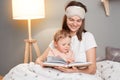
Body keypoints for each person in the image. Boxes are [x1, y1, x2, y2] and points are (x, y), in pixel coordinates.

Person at [3, 1, 102, 80]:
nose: (74, 24)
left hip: (78, 74)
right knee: (20, 69)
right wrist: (45, 65)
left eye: (78, 20)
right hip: (57, 73)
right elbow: (39, 60)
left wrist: (72, 71)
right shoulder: (60, 37)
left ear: (82, 21)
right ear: (66, 19)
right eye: (71, 19)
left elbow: (92, 70)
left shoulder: (88, 37)